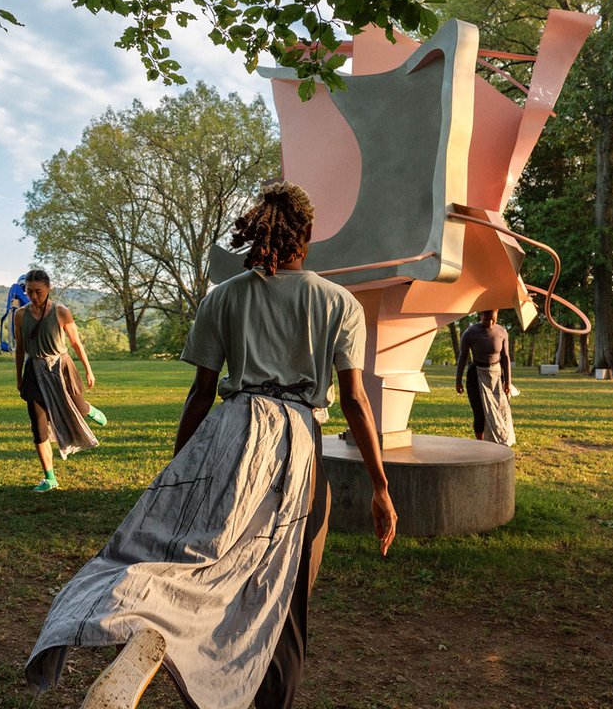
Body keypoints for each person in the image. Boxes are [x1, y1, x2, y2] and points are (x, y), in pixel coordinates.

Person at [25, 182, 398, 709]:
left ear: (258, 231)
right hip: (294, 442)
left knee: (193, 558)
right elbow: (356, 400)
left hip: (229, 434)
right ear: (307, 235)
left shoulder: (223, 297)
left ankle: (149, 631)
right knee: (283, 588)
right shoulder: (338, 302)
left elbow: (200, 394)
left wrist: (180, 469)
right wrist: (381, 487)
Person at [13, 269, 107, 492]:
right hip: (34, 371)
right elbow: (20, 350)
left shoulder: (61, 312)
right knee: (38, 427)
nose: (34, 296)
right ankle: (49, 478)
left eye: (38, 291)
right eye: (29, 291)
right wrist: (19, 378)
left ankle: (88, 410)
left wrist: (88, 370)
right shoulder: (20, 315)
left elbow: (76, 343)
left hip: (61, 367)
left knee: (79, 407)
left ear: (48, 289)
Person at [455, 309, 515, 446]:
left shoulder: (502, 332)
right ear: (480, 315)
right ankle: (480, 444)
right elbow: (462, 357)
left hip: (496, 376)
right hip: (476, 375)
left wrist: (508, 382)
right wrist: (458, 381)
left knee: (500, 409)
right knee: (480, 412)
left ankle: (499, 441)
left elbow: (505, 357)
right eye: (487, 319)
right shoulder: (470, 333)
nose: (490, 322)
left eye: (493, 319)